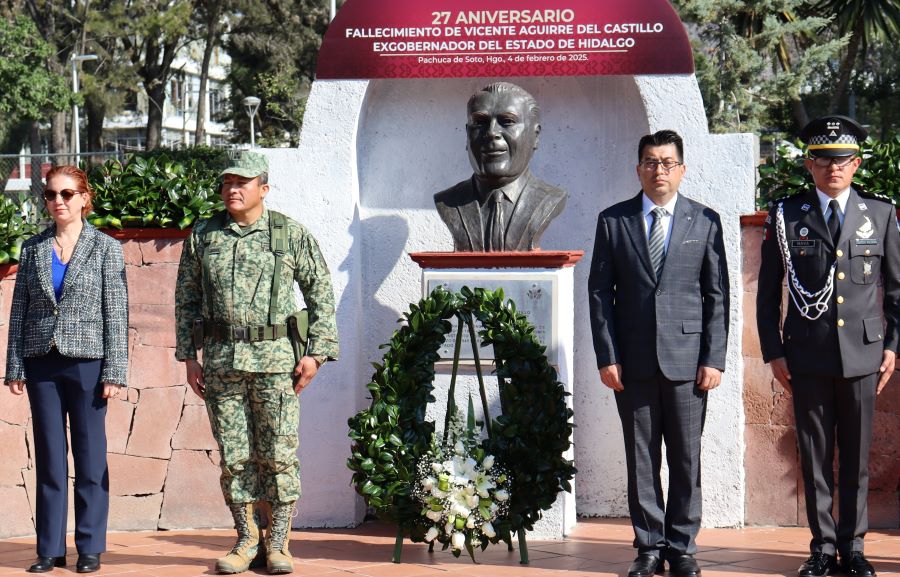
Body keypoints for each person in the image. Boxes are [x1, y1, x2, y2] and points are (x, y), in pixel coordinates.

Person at [174, 150, 339, 575]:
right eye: (227, 182)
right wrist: (188, 357)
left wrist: (317, 354)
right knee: (235, 456)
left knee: (279, 454)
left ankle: (279, 543)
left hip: (275, 363)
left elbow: (320, 292)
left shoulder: (287, 233)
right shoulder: (205, 235)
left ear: (262, 188)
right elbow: (187, 298)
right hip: (222, 363)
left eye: (241, 183)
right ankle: (247, 539)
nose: (232, 189)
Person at [757, 115, 899, 577]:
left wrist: (893, 347)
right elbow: (768, 292)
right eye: (822, 159)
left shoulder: (879, 214)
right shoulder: (787, 215)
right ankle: (821, 547)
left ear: (856, 164)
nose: (832, 168)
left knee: (856, 459)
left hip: (863, 355)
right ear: (809, 164)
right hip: (807, 356)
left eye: (841, 160)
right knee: (815, 456)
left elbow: (896, 291)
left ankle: (853, 548)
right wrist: (774, 351)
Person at [588, 130, 729, 577]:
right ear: (639, 169)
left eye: (668, 163)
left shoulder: (704, 220)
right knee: (641, 456)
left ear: (682, 170)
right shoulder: (614, 221)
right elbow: (599, 294)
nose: (659, 170)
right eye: (651, 162)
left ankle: (682, 547)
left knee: (686, 458)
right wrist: (606, 356)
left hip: (689, 362)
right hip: (632, 363)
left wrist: (714, 358)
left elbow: (717, 296)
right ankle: (649, 545)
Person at [5, 166, 128, 574]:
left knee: (90, 459)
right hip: (42, 363)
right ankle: (49, 549)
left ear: (84, 198)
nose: (59, 201)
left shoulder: (106, 248)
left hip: (89, 364)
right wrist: (15, 366)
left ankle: (89, 546)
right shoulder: (33, 248)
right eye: (52, 194)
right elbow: (19, 310)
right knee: (51, 459)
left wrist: (114, 370)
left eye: (68, 194)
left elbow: (116, 312)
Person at [434, 81, 567, 251]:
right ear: (467, 134)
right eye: (480, 122)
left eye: (508, 121)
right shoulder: (448, 202)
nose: (491, 132)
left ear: (535, 136)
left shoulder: (551, 199)